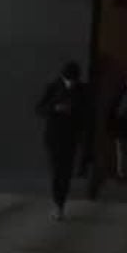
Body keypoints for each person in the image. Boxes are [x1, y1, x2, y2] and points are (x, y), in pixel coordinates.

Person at [35, 61, 90, 218]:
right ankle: (57, 203)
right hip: (54, 136)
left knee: (66, 173)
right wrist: (55, 108)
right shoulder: (52, 87)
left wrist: (75, 112)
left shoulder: (82, 90)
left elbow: (87, 113)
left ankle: (60, 203)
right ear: (63, 77)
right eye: (68, 80)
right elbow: (39, 109)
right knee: (56, 171)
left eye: (73, 80)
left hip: (71, 137)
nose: (71, 83)